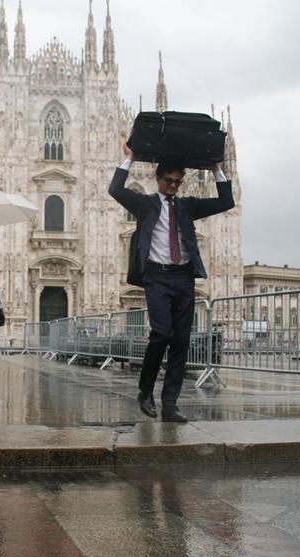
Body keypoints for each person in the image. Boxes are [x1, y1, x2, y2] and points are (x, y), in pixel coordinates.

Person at [109, 141, 233, 422]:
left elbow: (227, 202)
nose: (173, 185)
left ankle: (170, 404)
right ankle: (145, 391)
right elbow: (115, 190)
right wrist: (128, 159)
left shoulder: (188, 206)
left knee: (181, 341)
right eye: (169, 181)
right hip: (156, 276)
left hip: (183, 276)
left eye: (177, 182)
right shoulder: (145, 203)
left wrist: (217, 170)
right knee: (161, 334)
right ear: (159, 179)